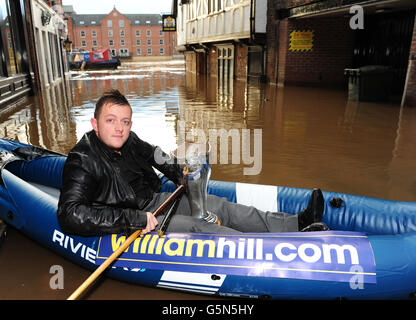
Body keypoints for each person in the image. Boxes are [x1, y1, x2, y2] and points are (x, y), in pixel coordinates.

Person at [57, 89, 326, 237]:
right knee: (202, 228)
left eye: (125, 121)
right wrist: (134, 219)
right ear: (94, 123)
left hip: (156, 200)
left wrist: (181, 172)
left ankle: (297, 224)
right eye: (110, 120)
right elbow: (71, 215)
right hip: (135, 221)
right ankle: (271, 251)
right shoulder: (82, 161)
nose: (119, 128)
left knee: (219, 206)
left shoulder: (129, 140)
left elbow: (156, 156)